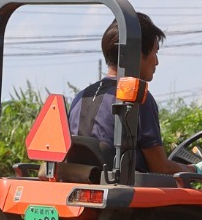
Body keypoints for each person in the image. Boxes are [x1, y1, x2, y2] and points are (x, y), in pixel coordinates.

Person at [69, 12, 192, 175]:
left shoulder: (81, 97)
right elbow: (160, 168)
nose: (156, 61)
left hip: (85, 183)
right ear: (136, 54)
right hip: (128, 192)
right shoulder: (137, 96)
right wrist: (199, 169)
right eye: (155, 52)